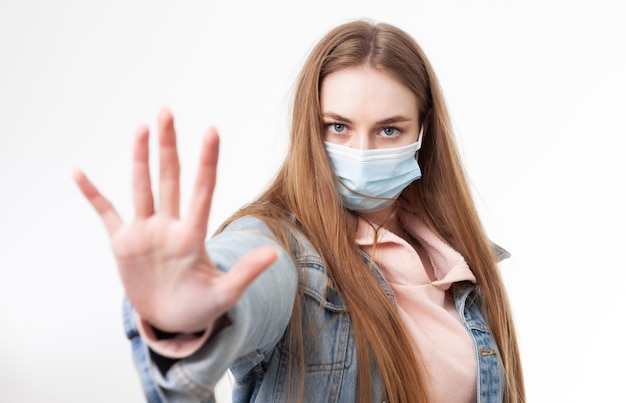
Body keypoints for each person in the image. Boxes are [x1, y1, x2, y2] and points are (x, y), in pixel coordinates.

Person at [74, 19, 525, 403]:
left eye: (389, 129)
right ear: (311, 128)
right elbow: (249, 277)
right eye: (338, 127)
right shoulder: (281, 247)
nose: (362, 152)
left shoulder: (456, 258)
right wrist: (187, 320)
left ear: (423, 130)